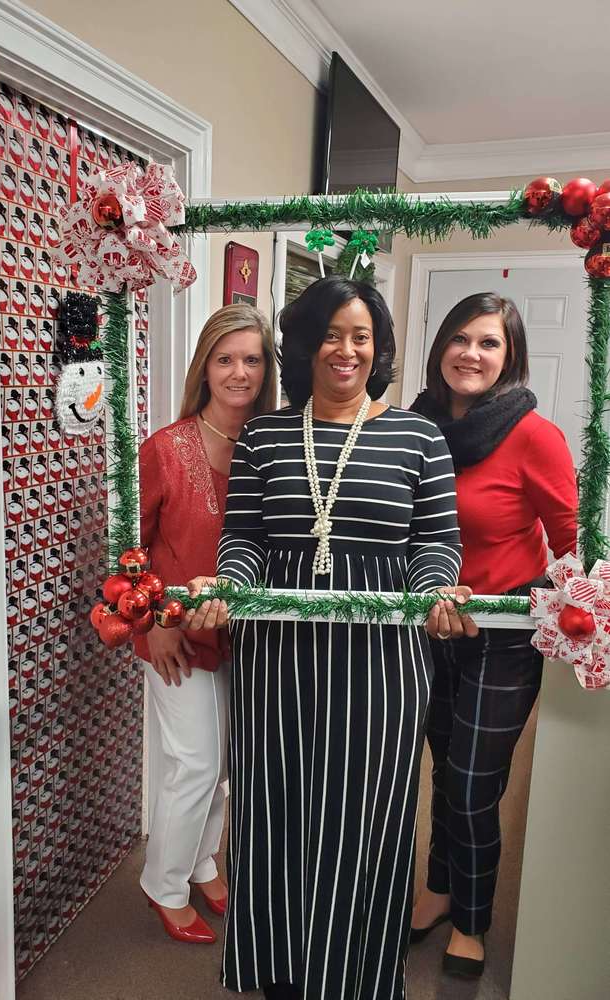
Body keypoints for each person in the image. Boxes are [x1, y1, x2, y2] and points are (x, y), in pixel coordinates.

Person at [186, 276, 474, 999]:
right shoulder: (267, 433)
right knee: (274, 807)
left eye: (361, 336)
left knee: (366, 817)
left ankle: (358, 974)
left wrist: (435, 586)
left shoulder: (418, 436)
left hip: (382, 664)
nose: (345, 349)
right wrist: (230, 585)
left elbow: (437, 540)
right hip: (277, 656)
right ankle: (279, 970)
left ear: (377, 349)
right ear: (305, 344)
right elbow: (244, 536)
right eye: (330, 334)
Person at [408, 292, 578, 978]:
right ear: (440, 345)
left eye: (489, 343)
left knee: (475, 783)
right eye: (461, 338)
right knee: (444, 771)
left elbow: (572, 541)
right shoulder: (411, 426)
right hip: (429, 630)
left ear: (510, 358)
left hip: (504, 633)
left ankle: (472, 920)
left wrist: (571, 615)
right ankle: (440, 888)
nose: (470, 354)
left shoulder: (532, 435)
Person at [137, 303, 277, 944]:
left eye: (252, 359)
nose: (239, 372)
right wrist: (154, 622)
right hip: (176, 637)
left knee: (226, 760)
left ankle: (202, 861)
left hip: (251, 636)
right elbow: (127, 547)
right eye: (226, 359)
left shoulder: (277, 445)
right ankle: (164, 884)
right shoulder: (164, 449)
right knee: (193, 762)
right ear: (205, 367)